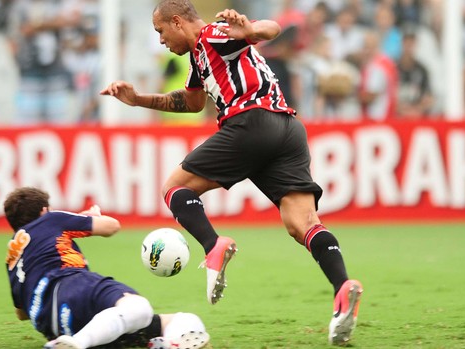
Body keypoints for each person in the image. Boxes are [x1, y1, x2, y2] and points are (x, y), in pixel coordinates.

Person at [100, 1, 363, 345]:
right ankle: (343, 287)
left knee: (175, 188)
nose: (161, 40)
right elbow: (192, 103)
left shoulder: (213, 35)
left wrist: (251, 31)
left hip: (250, 121)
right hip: (287, 129)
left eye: (160, 31)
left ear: (177, 22)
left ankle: (213, 246)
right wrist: (138, 100)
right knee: (303, 224)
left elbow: (271, 29)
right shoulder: (201, 56)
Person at [3, 187, 210, 349]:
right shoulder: (51, 219)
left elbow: (22, 314)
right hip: (68, 284)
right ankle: (77, 344)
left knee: (185, 321)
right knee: (139, 309)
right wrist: (93, 216)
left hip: (52, 323)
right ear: (44, 211)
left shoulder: (12, 256)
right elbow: (111, 226)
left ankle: (169, 344)